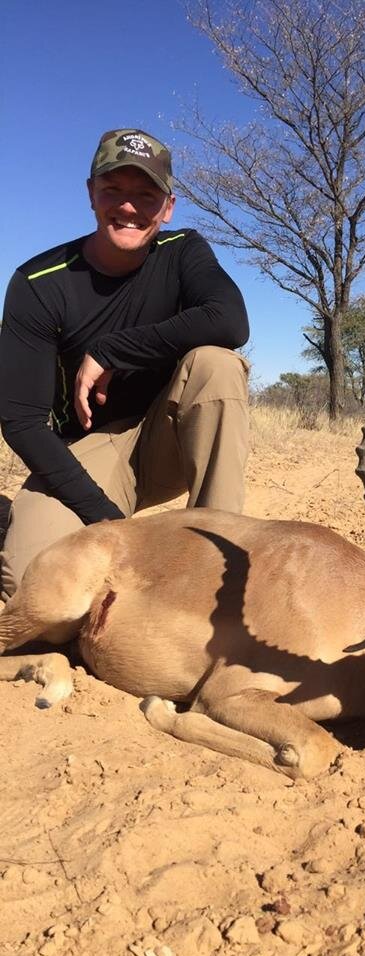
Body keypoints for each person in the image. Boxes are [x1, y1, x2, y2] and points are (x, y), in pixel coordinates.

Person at [0, 128, 250, 601]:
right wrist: (107, 521)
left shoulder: (184, 251)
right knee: (30, 583)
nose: (129, 207)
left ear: (168, 206)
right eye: (113, 190)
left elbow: (231, 321)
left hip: (167, 438)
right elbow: (23, 422)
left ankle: (214, 569)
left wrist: (111, 349)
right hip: (89, 449)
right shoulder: (38, 282)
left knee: (217, 363)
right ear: (91, 194)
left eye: (145, 195)